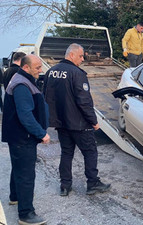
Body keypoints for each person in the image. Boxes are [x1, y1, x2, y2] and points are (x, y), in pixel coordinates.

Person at [43, 43, 111, 196]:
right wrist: (94, 121)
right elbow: (84, 101)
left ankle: (65, 186)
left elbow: (46, 98)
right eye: (81, 56)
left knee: (66, 153)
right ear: (71, 55)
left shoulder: (51, 72)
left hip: (61, 123)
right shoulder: (77, 73)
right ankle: (92, 183)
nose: (82, 59)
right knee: (90, 152)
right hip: (79, 123)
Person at [2, 54, 50, 225]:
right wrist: (41, 133)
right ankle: (26, 214)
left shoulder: (21, 79)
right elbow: (25, 115)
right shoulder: (22, 84)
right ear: (26, 67)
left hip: (17, 136)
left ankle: (15, 197)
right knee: (26, 174)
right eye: (37, 67)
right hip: (23, 137)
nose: (41, 70)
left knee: (18, 168)